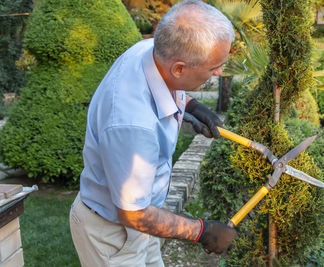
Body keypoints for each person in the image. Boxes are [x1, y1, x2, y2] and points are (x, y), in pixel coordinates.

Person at [69, 0, 237, 266]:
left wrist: (191, 105)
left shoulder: (153, 49)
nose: (219, 72)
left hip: (142, 221)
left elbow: (169, 83)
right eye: (213, 67)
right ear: (179, 68)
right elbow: (132, 214)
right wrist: (201, 231)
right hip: (112, 234)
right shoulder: (132, 124)